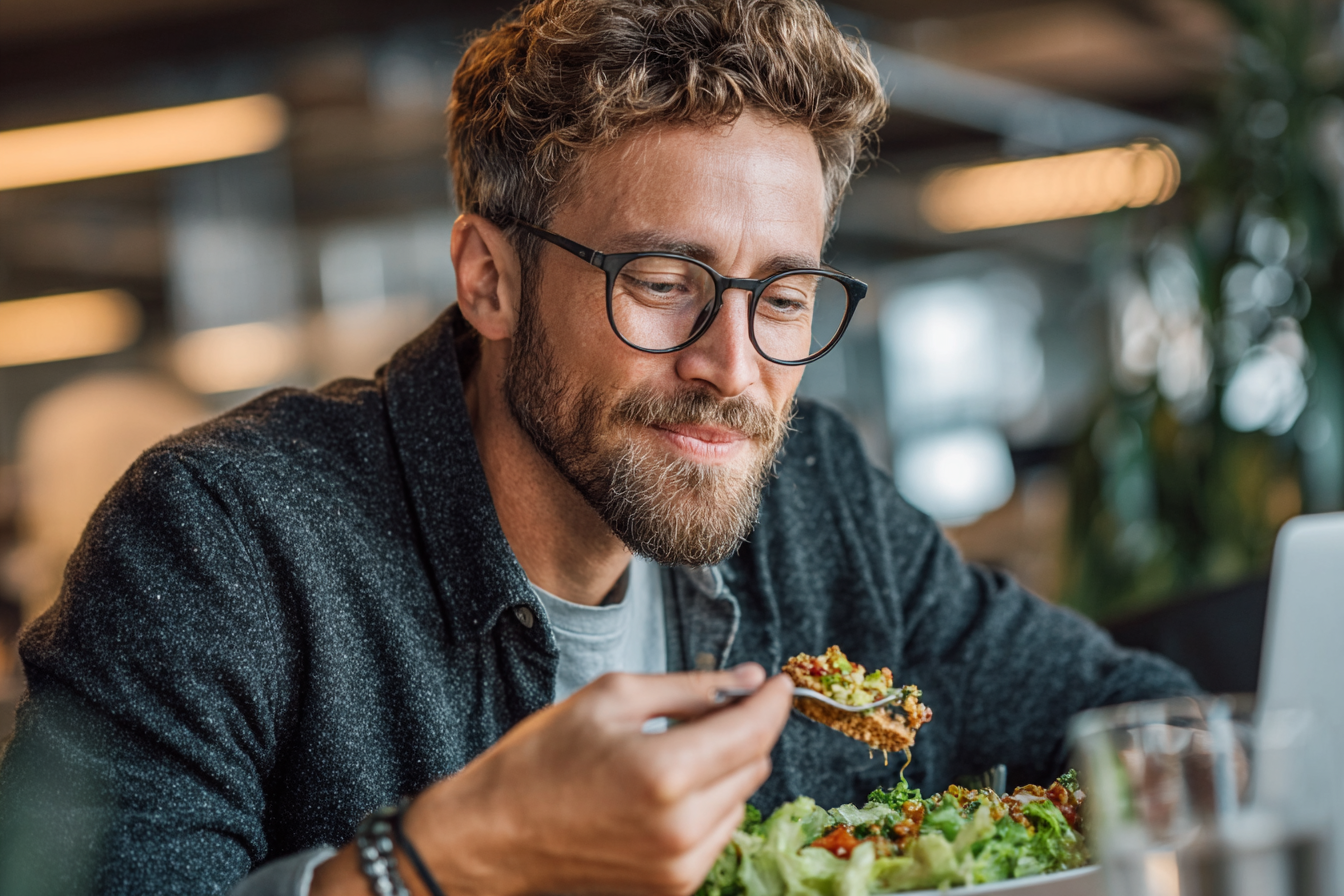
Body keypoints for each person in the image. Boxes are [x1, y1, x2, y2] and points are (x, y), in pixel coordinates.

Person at [0, 1, 1198, 895]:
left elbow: (1136, 722)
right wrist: (442, 861)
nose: (733, 368)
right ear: (490, 277)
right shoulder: (223, 541)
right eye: (664, 279)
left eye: (781, 297)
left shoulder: (816, 495)